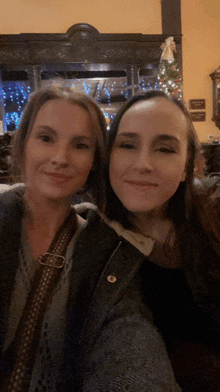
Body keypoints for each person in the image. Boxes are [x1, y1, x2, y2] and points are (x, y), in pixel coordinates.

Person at [0, 82, 181, 391]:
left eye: (80, 145)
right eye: (46, 138)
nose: (61, 157)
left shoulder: (108, 252)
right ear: (22, 145)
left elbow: (130, 343)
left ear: (95, 160)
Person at [104, 90, 220, 391]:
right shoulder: (95, 244)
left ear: (187, 168)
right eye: (128, 145)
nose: (143, 164)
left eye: (165, 149)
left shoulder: (214, 210)